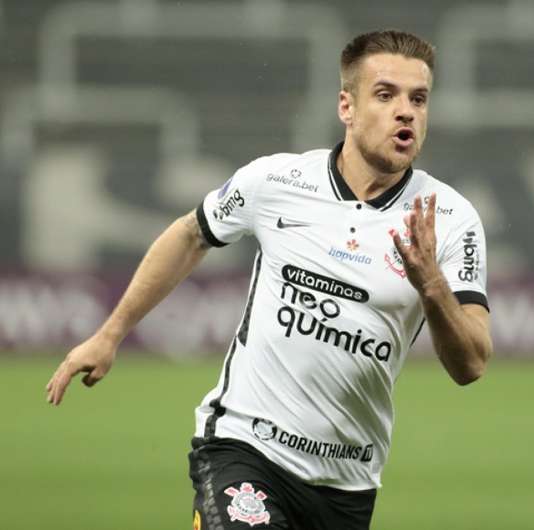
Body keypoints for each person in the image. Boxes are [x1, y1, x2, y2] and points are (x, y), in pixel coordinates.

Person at [45, 29, 492, 530]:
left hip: (348, 485)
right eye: (385, 95)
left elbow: (471, 363)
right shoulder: (277, 181)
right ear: (347, 106)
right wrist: (110, 335)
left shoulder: (449, 218)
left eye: (419, 99)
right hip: (243, 450)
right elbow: (191, 234)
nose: (405, 111)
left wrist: (433, 286)